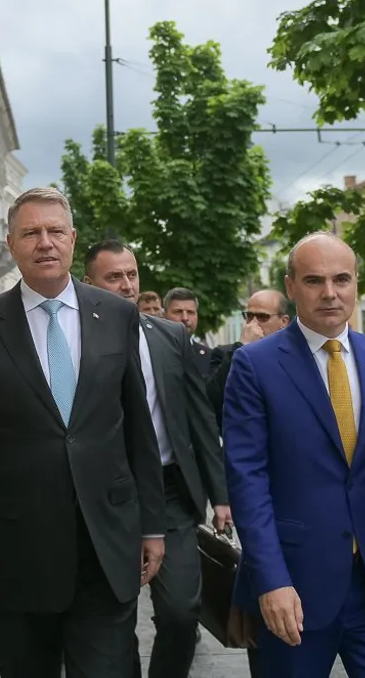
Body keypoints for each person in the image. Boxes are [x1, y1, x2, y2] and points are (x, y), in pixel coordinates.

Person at [0, 187, 166, 678]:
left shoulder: (118, 315)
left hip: (106, 547)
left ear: (72, 239)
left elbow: (137, 429)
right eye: (31, 233)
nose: (45, 242)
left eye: (55, 231)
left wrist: (151, 524)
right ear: (12, 243)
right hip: (20, 556)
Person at [222, 232, 365, 678]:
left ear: (356, 284)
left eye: (342, 279)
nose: (330, 293)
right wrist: (271, 580)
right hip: (294, 589)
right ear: (291, 287)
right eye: (314, 280)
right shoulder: (255, 365)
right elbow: (247, 481)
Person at [83, 240, 232, 678]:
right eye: (114, 277)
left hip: (170, 494)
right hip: (104, 497)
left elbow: (200, 419)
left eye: (132, 274)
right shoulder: (74, 342)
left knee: (182, 611)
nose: (127, 285)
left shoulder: (170, 336)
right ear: (89, 283)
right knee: (114, 617)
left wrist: (219, 494)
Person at [207, 290, 291, 430]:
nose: (253, 324)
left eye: (262, 317)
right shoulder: (225, 354)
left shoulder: (293, 357)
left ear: (283, 321)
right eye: (249, 316)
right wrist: (242, 348)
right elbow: (211, 401)